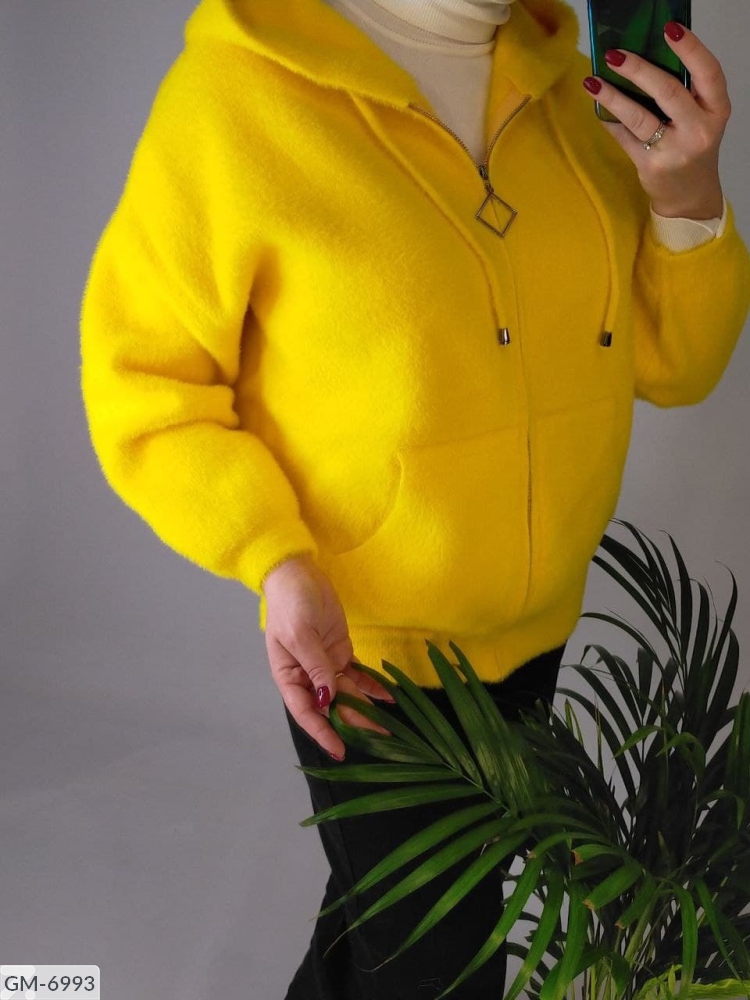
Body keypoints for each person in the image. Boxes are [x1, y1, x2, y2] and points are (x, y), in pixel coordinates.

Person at [79, 0, 750, 995]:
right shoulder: (237, 99)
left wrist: (687, 195)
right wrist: (275, 556)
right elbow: (145, 387)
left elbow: (672, 365)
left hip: (535, 634)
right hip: (367, 657)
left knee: (397, 929)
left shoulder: (567, 94)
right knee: (441, 961)